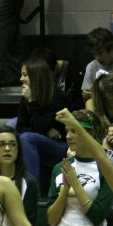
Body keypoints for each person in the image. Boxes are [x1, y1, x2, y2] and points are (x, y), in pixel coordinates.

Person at [17, 57, 70, 185]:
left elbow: (39, 126)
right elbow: (20, 127)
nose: (21, 79)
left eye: (25, 75)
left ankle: (32, 191)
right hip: (42, 140)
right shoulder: (27, 97)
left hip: (61, 147)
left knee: (26, 138)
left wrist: (32, 103)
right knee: (9, 127)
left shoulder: (59, 98)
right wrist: (46, 131)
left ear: (36, 76)